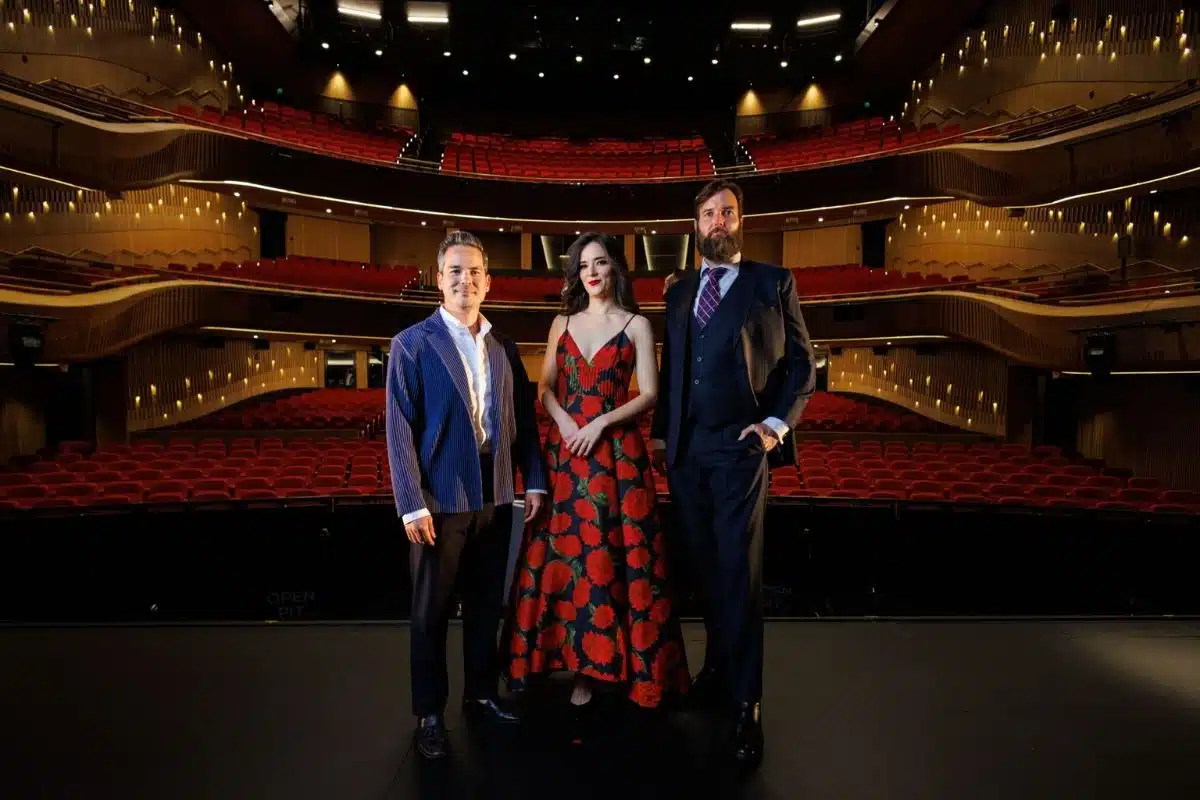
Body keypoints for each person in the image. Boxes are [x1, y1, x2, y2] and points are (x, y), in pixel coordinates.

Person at [649, 180, 815, 770]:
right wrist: (665, 441)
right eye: (708, 214)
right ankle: (717, 675)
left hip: (741, 451)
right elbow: (673, 372)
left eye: (727, 212)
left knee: (740, 577)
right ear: (695, 225)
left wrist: (773, 428)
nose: (718, 221)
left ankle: (748, 705)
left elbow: (803, 366)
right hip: (688, 455)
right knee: (707, 573)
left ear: (741, 221)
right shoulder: (679, 292)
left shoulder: (773, 283)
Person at [504, 232, 691, 713]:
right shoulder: (561, 322)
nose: (591, 272)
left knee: (612, 560)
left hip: (617, 460)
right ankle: (566, 663)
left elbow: (648, 393)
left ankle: (603, 669)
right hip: (566, 454)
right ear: (576, 273)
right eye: (583, 265)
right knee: (566, 559)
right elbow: (544, 387)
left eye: (601, 263)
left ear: (615, 270)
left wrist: (601, 421)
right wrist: (567, 422)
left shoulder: (637, 325)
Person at [386, 230, 548, 761]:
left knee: (485, 606)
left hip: (497, 493)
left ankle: (479, 694)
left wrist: (536, 480)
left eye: (475, 272)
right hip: (441, 497)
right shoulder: (411, 343)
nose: (466, 280)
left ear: (488, 281)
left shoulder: (502, 345)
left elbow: (522, 420)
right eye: (455, 271)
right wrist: (411, 501)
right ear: (439, 280)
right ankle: (430, 712)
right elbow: (399, 430)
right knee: (430, 613)